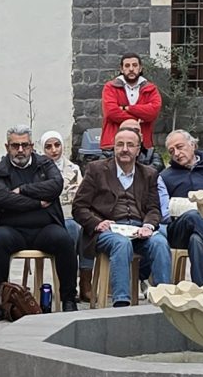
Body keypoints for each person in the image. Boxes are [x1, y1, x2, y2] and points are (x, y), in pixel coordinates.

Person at [73, 124, 172, 306]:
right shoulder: (96, 170)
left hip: (138, 229)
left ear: (138, 149)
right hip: (107, 231)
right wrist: (97, 223)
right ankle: (121, 303)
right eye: (120, 144)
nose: (124, 149)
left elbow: (154, 209)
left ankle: (165, 302)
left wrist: (148, 226)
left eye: (130, 145)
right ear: (114, 147)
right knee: (121, 243)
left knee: (159, 242)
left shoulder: (149, 174)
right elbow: (79, 207)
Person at [0, 126, 78, 308]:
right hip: (11, 229)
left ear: (32, 146)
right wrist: (37, 203)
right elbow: (3, 199)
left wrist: (23, 189)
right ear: (7, 147)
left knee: (64, 240)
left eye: (25, 145)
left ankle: (68, 299)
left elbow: (55, 186)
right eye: (15, 146)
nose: (20, 150)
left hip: (44, 229)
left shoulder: (45, 164)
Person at [157, 128, 203, 286]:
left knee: (197, 240)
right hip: (179, 230)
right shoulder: (165, 177)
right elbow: (165, 214)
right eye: (171, 151)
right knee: (193, 216)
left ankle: (201, 289)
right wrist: (193, 207)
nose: (176, 153)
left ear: (193, 145)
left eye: (179, 147)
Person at [100, 53, 162, 152]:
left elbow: (153, 112)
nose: (131, 69)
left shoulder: (151, 89)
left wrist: (127, 108)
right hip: (114, 144)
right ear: (121, 69)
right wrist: (139, 118)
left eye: (135, 65)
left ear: (140, 68)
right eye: (127, 66)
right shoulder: (110, 87)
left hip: (143, 145)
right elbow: (111, 113)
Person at [43, 131, 81, 216]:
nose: (54, 150)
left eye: (57, 145)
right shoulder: (38, 170)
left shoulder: (74, 169)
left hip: (70, 215)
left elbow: (82, 198)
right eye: (48, 147)